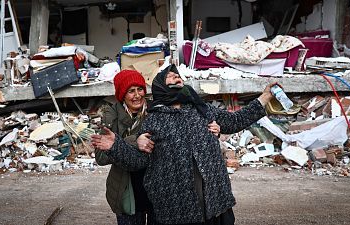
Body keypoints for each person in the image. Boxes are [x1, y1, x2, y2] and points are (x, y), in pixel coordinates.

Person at [98, 65, 276, 225]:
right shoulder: (154, 119)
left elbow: (237, 120)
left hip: (214, 202)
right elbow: (139, 160)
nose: (176, 76)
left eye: (178, 75)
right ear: (161, 85)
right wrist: (116, 146)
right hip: (176, 207)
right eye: (171, 75)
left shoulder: (202, 110)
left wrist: (265, 96)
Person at [91, 69, 221, 225]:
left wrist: (212, 129)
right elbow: (100, 157)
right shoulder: (111, 117)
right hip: (128, 188)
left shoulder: (158, 109)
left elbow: (186, 130)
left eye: (140, 89)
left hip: (158, 186)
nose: (137, 95)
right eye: (131, 91)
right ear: (122, 95)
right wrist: (133, 140)